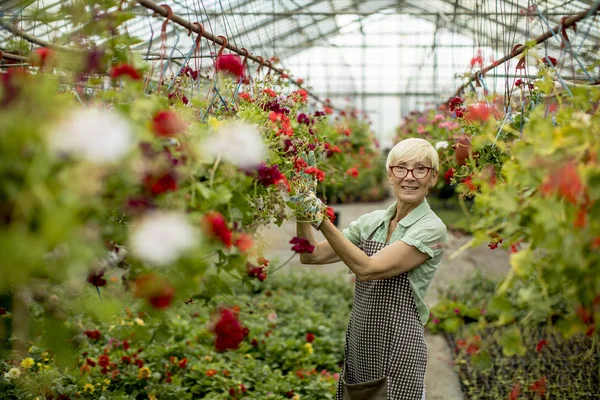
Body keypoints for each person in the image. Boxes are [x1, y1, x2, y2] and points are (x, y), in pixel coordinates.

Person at [294, 137, 447, 400]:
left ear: (432, 178)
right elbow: (311, 256)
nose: (409, 177)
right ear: (390, 174)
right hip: (361, 344)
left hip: (400, 350)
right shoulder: (371, 222)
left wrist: (321, 219)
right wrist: (303, 211)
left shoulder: (432, 229)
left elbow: (368, 268)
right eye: (401, 167)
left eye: (420, 169)